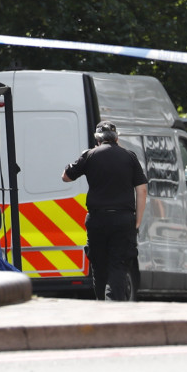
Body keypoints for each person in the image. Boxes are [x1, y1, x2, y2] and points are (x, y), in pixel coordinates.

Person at [61, 120, 147, 301]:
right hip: (123, 220)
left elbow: (66, 177)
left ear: (97, 139)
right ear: (116, 138)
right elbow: (142, 189)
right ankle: (115, 308)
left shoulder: (90, 155)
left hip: (97, 220)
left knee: (99, 267)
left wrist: (85, 158)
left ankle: (102, 306)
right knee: (118, 267)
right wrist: (137, 221)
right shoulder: (129, 157)